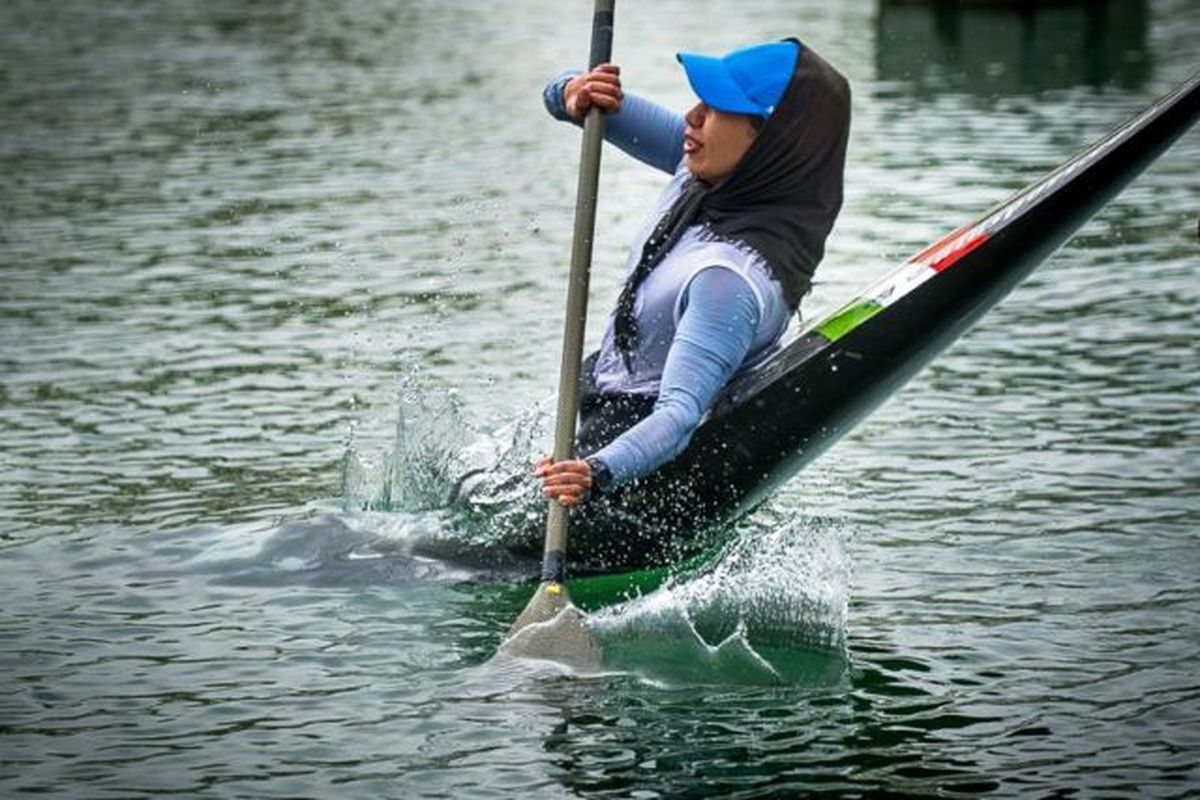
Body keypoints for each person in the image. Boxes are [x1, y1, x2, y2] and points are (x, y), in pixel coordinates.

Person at [534, 39, 850, 507]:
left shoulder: (728, 281)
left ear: (768, 141)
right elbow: (592, 107)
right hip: (602, 408)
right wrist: (571, 92)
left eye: (716, 108)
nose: (692, 117)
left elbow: (679, 416)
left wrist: (594, 473)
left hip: (634, 470)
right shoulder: (706, 172)